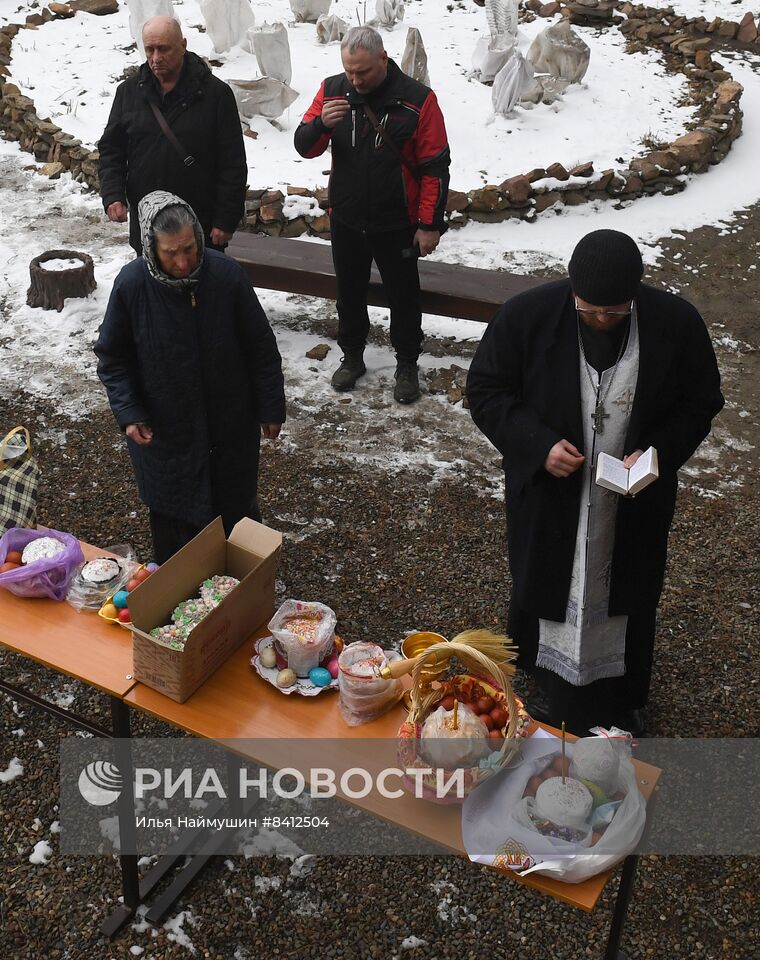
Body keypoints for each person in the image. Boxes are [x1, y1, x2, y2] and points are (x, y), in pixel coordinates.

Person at [466, 230, 723, 734]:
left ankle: (620, 697)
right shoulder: (526, 317)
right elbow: (486, 389)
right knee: (545, 579)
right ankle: (543, 682)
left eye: (616, 311)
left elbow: (701, 401)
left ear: (636, 293)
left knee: (628, 585)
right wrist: (537, 445)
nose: (603, 320)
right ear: (571, 289)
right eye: (590, 311)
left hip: (634, 498)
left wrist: (658, 454)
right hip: (549, 494)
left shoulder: (675, 323)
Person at [95, 191, 285, 563]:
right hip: (166, 437)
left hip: (230, 428)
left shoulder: (226, 277)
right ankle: (180, 605)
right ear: (151, 246)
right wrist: (129, 411)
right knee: (176, 535)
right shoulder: (132, 285)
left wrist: (270, 407)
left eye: (190, 249)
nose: (183, 262)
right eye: (170, 253)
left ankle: (245, 596)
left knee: (236, 519)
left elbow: (260, 347)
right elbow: (112, 357)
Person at [294, 25, 451, 404]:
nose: (354, 79)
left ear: (383, 59)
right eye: (349, 70)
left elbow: (435, 167)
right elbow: (304, 145)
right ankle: (351, 356)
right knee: (348, 294)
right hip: (347, 218)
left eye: (362, 71)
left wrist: (429, 225)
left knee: (404, 297)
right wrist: (320, 125)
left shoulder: (417, 100)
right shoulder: (332, 90)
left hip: (397, 223)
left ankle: (407, 364)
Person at [98, 16, 247, 254]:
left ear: (183, 45)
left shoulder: (216, 95)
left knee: (203, 290)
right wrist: (113, 195)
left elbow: (233, 163)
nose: (156, 58)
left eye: (163, 49)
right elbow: (111, 150)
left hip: (201, 224)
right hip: (147, 222)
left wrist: (225, 219)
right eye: (149, 50)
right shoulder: (128, 92)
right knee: (150, 290)